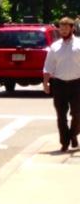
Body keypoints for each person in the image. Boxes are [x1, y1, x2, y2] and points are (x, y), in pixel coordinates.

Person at [43, 17, 80, 152]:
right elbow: (48, 66)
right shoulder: (55, 46)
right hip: (59, 84)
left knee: (77, 113)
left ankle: (73, 134)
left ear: (72, 29)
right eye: (61, 28)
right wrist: (46, 83)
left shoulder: (79, 44)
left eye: (65, 28)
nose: (63, 31)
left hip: (77, 84)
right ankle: (64, 142)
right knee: (61, 116)